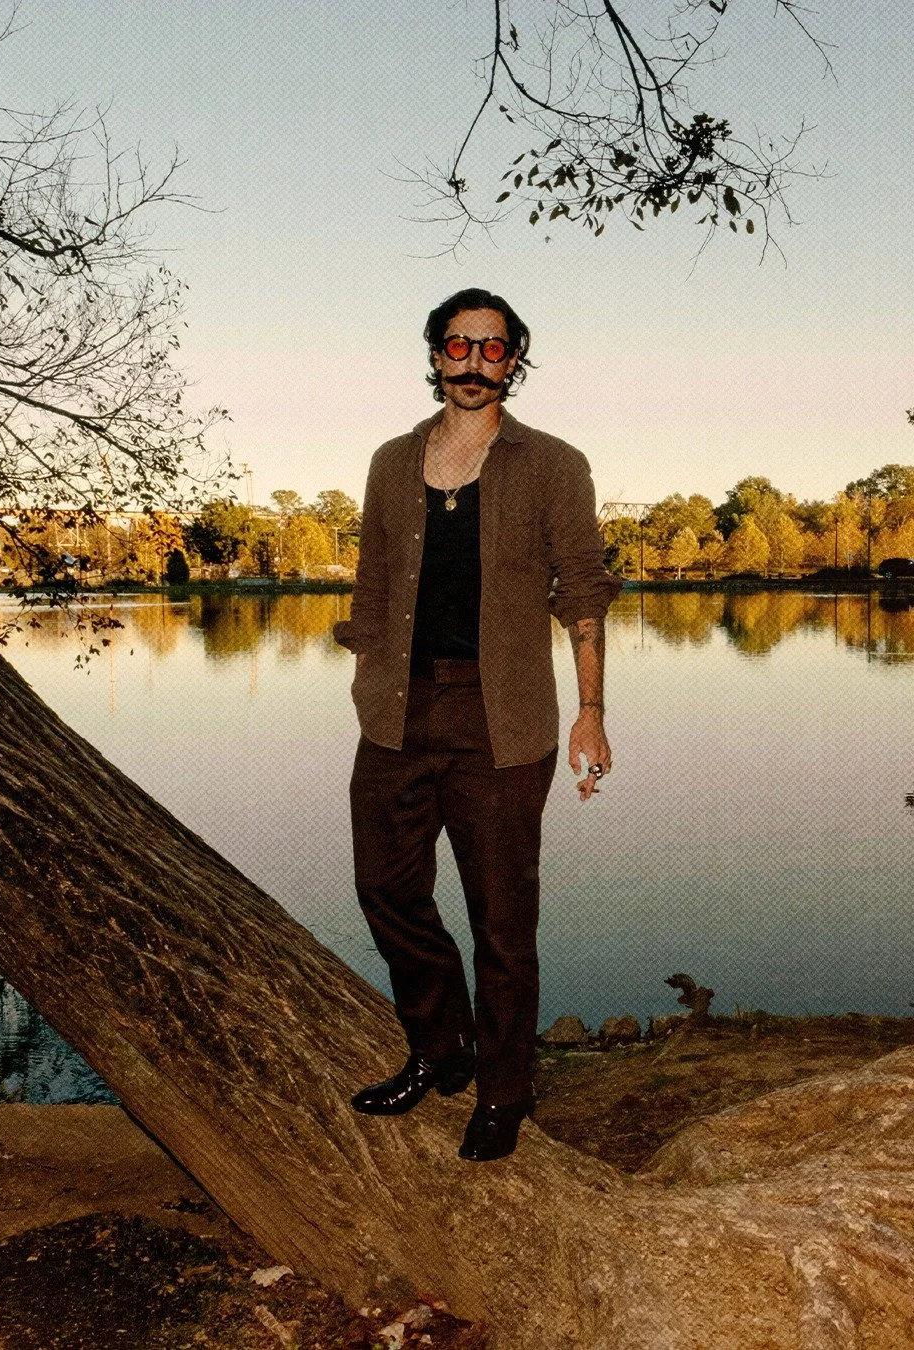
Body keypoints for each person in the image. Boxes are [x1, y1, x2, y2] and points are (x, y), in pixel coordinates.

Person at [333, 287, 620, 1161]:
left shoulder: (553, 465)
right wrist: (370, 674)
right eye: (457, 346)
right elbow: (373, 587)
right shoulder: (389, 462)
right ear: (434, 356)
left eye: (491, 349)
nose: (472, 362)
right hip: (396, 711)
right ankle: (438, 1044)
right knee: (386, 889)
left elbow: (583, 592)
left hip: (503, 720)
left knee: (502, 921)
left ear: (514, 360)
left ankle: (503, 1090)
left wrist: (593, 713)